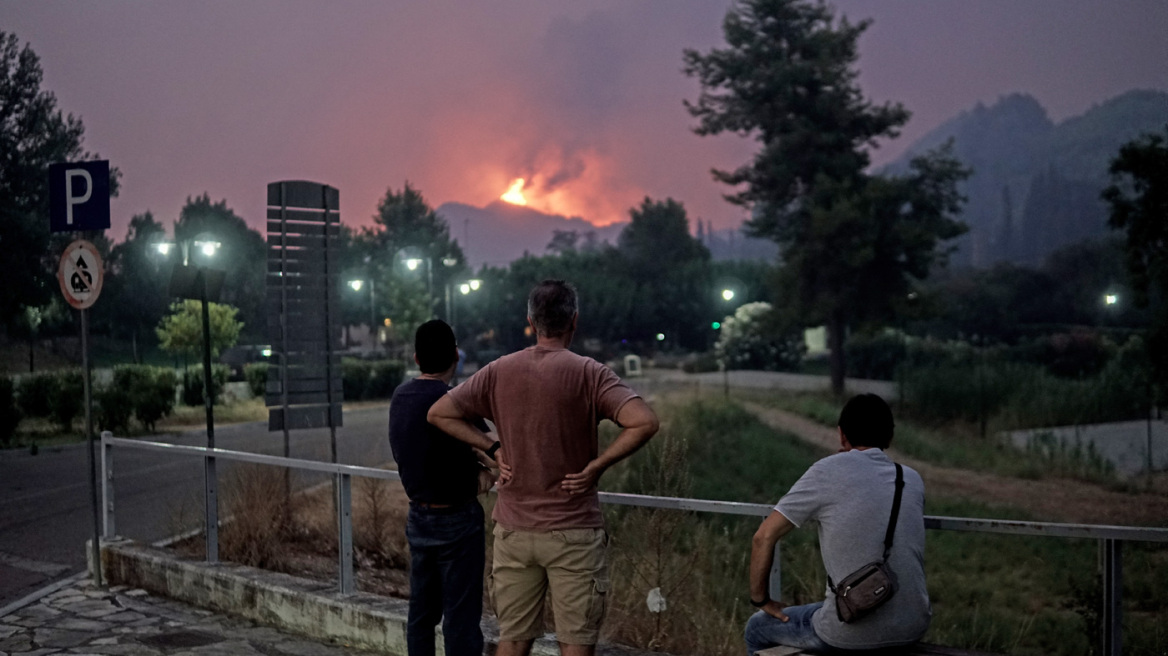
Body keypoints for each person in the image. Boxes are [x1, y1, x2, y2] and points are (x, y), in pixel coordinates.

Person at [428, 279, 660, 656]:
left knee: (513, 640)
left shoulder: (498, 370)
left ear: (531, 322)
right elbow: (644, 421)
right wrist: (598, 466)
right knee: (575, 644)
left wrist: (492, 447)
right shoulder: (589, 372)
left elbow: (439, 413)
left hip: (514, 531)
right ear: (575, 321)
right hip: (574, 531)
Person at [744, 394, 930, 654]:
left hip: (849, 633)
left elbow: (763, 537)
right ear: (890, 436)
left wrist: (760, 599)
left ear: (842, 435)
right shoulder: (911, 479)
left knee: (756, 629)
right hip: (913, 625)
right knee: (821, 611)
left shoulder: (827, 471)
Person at [389, 319, 495, 656]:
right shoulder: (455, 401)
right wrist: (483, 473)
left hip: (418, 516)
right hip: (458, 521)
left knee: (420, 616)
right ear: (455, 356)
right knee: (460, 621)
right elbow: (492, 449)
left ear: (417, 358)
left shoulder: (400, 396)